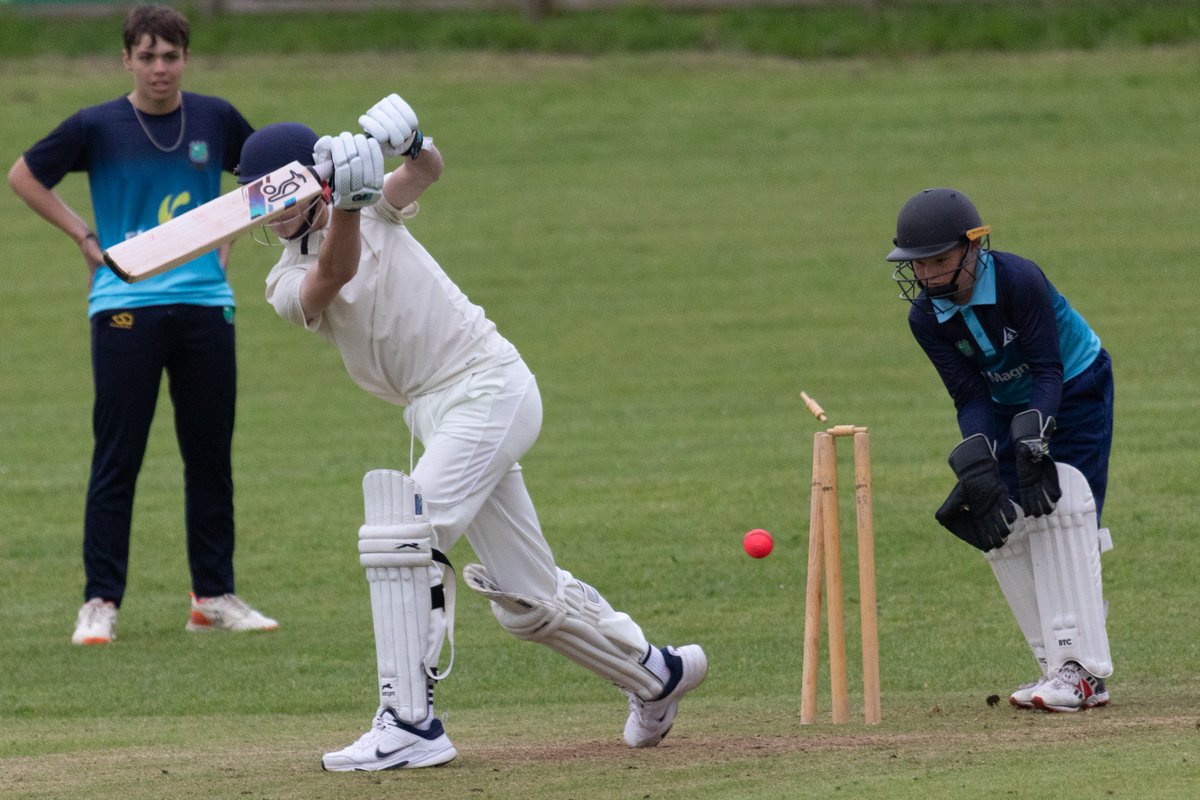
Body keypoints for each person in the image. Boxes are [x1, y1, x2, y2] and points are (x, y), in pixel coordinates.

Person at [239, 94, 707, 770]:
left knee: (405, 534)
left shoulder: (369, 204)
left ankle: (410, 722)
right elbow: (332, 275)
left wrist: (413, 141)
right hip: (437, 412)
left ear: (314, 182)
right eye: (263, 203)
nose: (274, 214)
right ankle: (655, 674)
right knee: (528, 601)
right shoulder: (283, 279)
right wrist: (343, 202)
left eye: (283, 196)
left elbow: (425, 171)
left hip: (487, 385)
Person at [7, 5, 276, 645]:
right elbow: (23, 175)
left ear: (186, 59)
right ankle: (100, 601)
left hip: (205, 304)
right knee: (117, 457)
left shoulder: (214, 117)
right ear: (126, 58)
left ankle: (212, 596)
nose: (160, 68)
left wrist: (227, 239)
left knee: (209, 455)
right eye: (148, 56)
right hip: (123, 307)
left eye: (171, 55)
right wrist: (84, 237)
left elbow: (268, 180)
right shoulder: (97, 125)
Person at [886, 187, 1115, 712]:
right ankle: (1065, 664)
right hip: (1009, 406)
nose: (927, 277)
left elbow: (1048, 369)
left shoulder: (1018, 279)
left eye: (938, 261)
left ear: (974, 247)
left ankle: (1082, 673)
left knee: (1065, 508)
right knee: (1013, 522)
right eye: (917, 266)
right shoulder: (926, 318)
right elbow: (970, 394)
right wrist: (981, 456)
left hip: (1075, 385)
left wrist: (1033, 437)